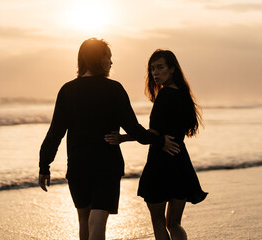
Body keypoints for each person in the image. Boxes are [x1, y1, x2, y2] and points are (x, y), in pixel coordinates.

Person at [38, 38, 179, 240]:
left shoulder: (67, 90)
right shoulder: (114, 89)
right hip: (107, 166)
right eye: (108, 58)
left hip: (78, 166)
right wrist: (159, 140)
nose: (111, 63)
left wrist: (44, 165)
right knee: (97, 220)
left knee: (84, 220)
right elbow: (135, 129)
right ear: (96, 59)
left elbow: (55, 133)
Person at [105, 49, 208, 240]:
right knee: (174, 224)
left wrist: (122, 138)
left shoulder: (165, 95)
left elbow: (153, 134)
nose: (155, 72)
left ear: (172, 69)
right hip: (180, 161)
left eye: (160, 67)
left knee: (159, 222)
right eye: (152, 69)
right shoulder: (183, 95)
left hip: (160, 163)